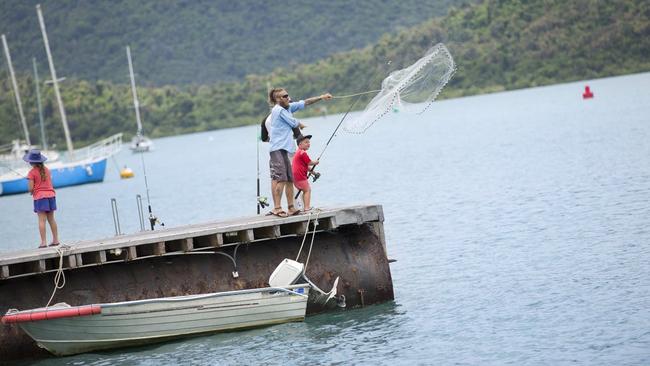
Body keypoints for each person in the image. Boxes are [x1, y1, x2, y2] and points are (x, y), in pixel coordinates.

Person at [267, 87, 332, 217]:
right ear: (278, 99)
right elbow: (293, 122)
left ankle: (291, 207)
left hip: (287, 149)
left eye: (287, 95)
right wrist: (300, 124)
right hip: (278, 149)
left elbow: (305, 102)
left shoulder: (288, 107)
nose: (288, 97)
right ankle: (277, 208)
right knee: (281, 179)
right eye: (285, 96)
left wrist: (321, 97)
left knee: (290, 180)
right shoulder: (278, 110)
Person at [23, 149, 60, 248]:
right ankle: (56, 240)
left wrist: (32, 191)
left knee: (41, 220)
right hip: (51, 196)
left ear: (30, 162)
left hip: (40, 198)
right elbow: (48, 184)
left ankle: (44, 242)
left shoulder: (31, 173)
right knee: (51, 219)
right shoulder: (47, 170)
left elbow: (30, 189)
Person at [292, 134, 319, 212]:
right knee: (307, 190)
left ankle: (305, 207)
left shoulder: (298, 152)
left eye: (309, 142)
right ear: (300, 144)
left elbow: (306, 166)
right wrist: (316, 162)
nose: (308, 144)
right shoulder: (302, 153)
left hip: (296, 177)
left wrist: (314, 173)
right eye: (306, 142)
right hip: (300, 176)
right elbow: (310, 162)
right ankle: (307, 208)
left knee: (305, 190)